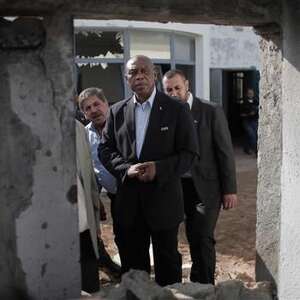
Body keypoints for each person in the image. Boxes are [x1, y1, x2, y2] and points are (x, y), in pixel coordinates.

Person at [98, 55, 198, 286]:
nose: (139, 76)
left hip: (164, 201)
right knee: (133, 268)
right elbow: (105, 148)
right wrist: (125, 169)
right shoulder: (116, 111)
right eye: (133, 72)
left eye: (144, 71)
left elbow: (190, 154)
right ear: (126, 78)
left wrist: (159, 169)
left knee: (168, 263)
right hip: (129, 204)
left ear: (154, 75)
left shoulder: (177, 109)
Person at [162, 69, 238, 284]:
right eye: (168, 90)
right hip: (175, 187)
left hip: (206, 189)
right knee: (168, 238)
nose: (174, 93)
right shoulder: (164, 113)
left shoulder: (211, 110)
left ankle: (203, 287)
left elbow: (225, 151)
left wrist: (230, 189)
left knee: (201, 238)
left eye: (177, 88)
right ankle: (174, 286)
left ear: (187, 85)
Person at [78, 88, 121, 279]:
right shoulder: (84, 135)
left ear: (106, 104)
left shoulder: (122, 124)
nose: (94, 110)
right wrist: (96, 198)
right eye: (88, 108)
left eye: (96, 104)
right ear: (84, 113)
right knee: (121, 235)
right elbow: (90, 170)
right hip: (113, 193)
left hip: (135, 189)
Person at [76, 120, 100, 293]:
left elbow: (88, 170)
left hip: (82, 208)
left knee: (88, 261)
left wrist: (95, 202)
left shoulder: (77, 127)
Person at [237, 88, 259, 155]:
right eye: (249, 93)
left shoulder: (256, 101)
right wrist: (249, 114)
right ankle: (256, 151)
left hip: (254, 121)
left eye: (252, 93)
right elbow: (240, 114)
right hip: (246, 121)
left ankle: (246, 148)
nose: (251, 95)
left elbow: (259, 109)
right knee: (252, 135)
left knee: (253, 135)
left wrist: (255, 112)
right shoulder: (243, 102)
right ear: (247, 94)